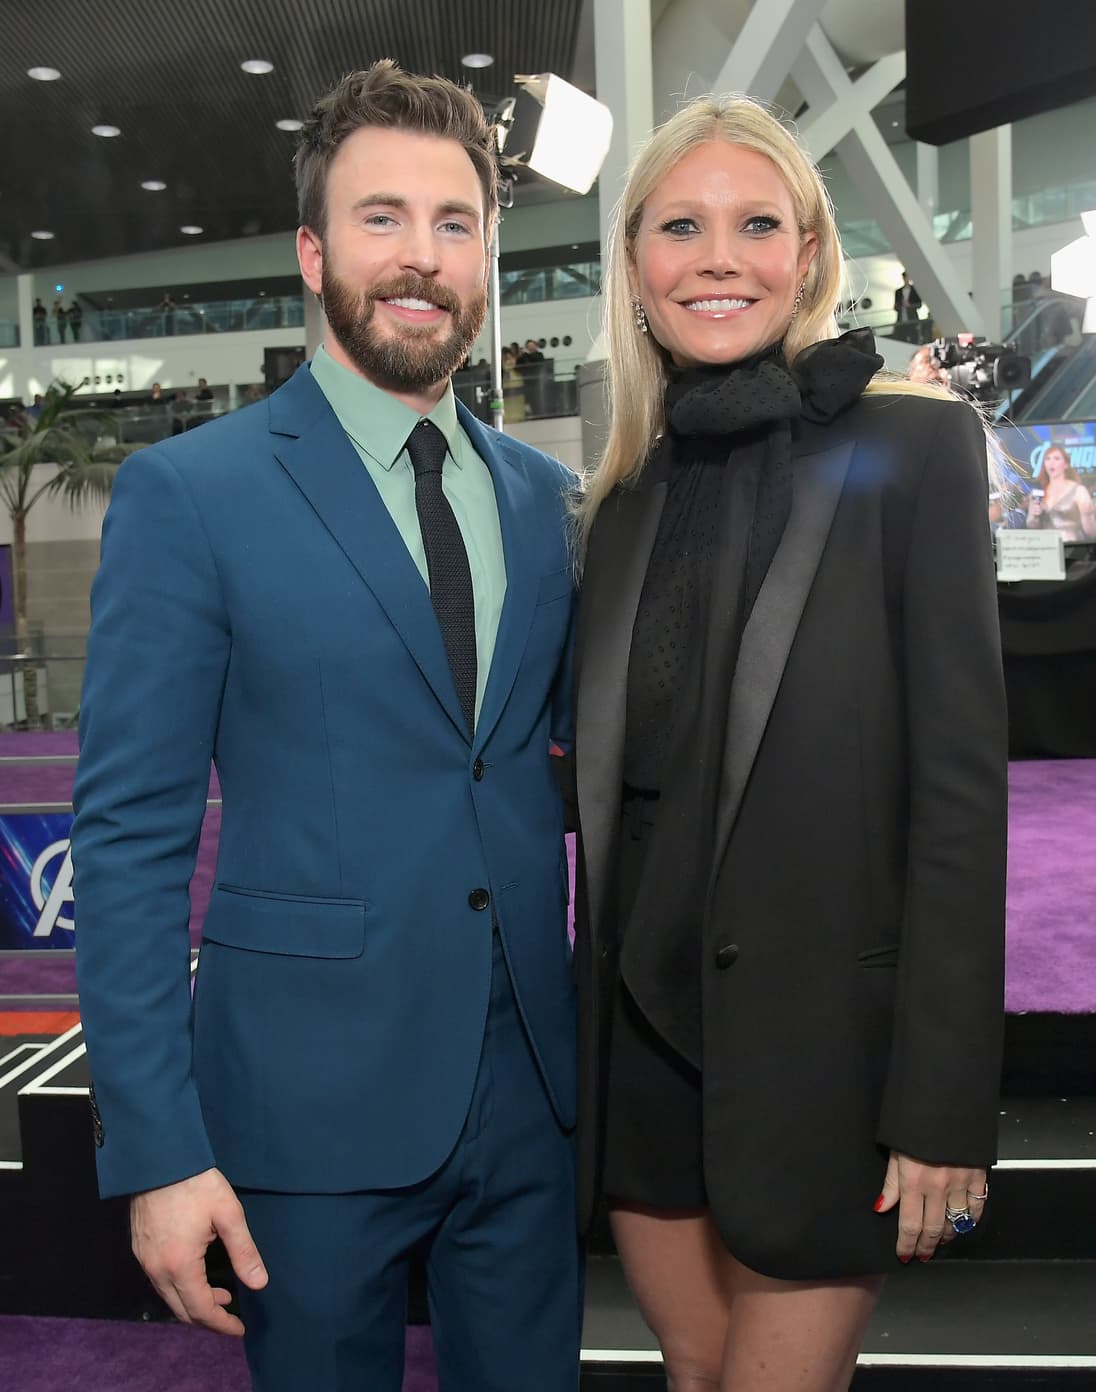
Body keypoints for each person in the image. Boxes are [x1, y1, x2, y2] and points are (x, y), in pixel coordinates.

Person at [71, 60, 580, 1392]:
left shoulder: (544, 499)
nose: (421, 256)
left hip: (529, 1096)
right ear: (311, 251)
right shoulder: (192, 494)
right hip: (299, 1116)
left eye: (454, 222)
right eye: (380, 218)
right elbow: (126, 845)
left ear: (488, 255)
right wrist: (160, 1151)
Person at [571, 94, 1007, 1392]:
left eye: (758, 224)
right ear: (635, 266)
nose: (719, 257)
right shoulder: (619, 499)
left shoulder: (916, 446)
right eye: (680, 227)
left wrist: (939, 1106)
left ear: (808, 255)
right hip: (643, 1049)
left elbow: (957, 798)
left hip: (827, 1058)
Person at [1025, 444, 1096, 540]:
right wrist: (1033, 517)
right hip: (1047, 549)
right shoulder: (1038, 492)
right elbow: (1032, 526)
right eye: (1048, 459)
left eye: (1056, 459)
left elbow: (1092, 534)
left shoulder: (1079, 491)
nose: (1051, 463)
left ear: (1066, 464)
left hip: (1073, 549)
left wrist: (1087, 515)